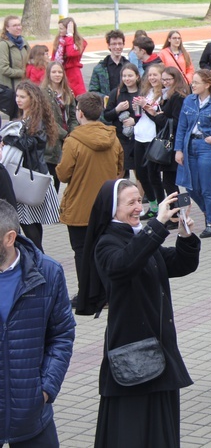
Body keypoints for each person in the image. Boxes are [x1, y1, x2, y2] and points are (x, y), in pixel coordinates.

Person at [88, 181, 200, 447]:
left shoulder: (138, 235)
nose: (139, 208)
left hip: (158, 346)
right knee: (132, 433)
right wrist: (157, 225)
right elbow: (124, 265)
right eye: (131, 203)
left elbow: (179, 264)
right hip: (132, 352)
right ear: (112, 209)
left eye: (140, 200)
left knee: (159, 430)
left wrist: (184, 235)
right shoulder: (106, 244)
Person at [0, 198, 75, 447]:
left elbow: (62, 335)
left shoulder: (48, 273)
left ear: (9, 239)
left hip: (31, 414)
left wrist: (44, 389)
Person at [57, 93, 123, 315]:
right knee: (105, 250)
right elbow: (120, 170)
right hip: (108, 206)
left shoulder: (73, 141)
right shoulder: (113, 138)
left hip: (80, 208)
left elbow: (64, 174)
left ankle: (87, 293)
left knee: (81, 252)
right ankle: (107, 292)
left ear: (80, 113)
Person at [1, 80, 60, 252]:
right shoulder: (24, 118)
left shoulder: (36, 120)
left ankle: (38, 259)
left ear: (32, 99)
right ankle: (38, 257)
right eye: (17, 96)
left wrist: (7, 139)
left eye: (22, 97)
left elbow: (30, 144)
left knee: (30, 226)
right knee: (31, 224)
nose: (18, 100)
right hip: (25, 178)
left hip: (30, 179)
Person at [174, 69, 211, 239]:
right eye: (193, 82)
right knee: (191, 187)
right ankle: (209, 212)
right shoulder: (189, 101)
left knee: (207, 187)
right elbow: (182, 127)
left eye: (196, 82)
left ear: (207, 84)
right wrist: (178, 149)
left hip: (207, 146)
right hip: (189, 145)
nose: (192, 85)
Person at [132, 63, 166, 217]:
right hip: (140, 135)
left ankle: (161, 206)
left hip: (154, 137)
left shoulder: (164, 95)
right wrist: (137, 108)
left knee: (153, 175)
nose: (152, 78)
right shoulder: (147, 92)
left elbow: (159, 117)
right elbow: (140, 115)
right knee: (141, 173)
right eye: (150, 75)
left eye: (155, 75)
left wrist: (146, 106)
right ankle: (152, 206)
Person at [40, 61, 78, 192]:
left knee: (70, 176)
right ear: (49, 74)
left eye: (60, 72)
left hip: (68, 139)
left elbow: (73, 115)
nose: (57, 75)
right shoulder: (43, 93)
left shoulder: (67, 92)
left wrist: (72, 132)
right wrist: (65, 134)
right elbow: (46, 120)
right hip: (51, 142)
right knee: (52, 178)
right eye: (54, 72)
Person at [154, 66, 190, 199]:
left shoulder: (178, 96)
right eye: (163, 80)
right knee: (169, 183)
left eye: (168, 79)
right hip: (171, 142)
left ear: (176, 79)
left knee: (170, 183)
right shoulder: (168, 94)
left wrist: (158, 116)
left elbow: (177, 122)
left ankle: (177, 215)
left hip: (173, 143)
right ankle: (178, 214)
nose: (165, 82)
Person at [102, 64, 141, 180]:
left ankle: (141, 197)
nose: (127, 79)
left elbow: (148, 114)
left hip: (138, 138)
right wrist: (117, 109)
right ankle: (118, 196)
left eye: (130, 75)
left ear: (137, 77)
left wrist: (135, 120)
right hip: (120, 139)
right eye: (124, 76)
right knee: (119, 172)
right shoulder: (116, 93)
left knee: (140, 174)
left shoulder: (143, 92)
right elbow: (107, 116)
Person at [0, 15, 29, 120]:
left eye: (19, 25)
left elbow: (30, 60)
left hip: (24, 88)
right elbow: (4, 69)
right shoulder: (4, 45)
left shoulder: (24, 42)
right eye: (14, 25)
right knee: (15, 119)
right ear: (7, 28)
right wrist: (24, 73)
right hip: (11, 91)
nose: (18, 27)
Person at [52, 17, 87, 96]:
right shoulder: (59, 40)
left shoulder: (80, 42)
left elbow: (71, 53)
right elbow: (53, 58)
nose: (59, 31)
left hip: (73, 76)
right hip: (60, 73)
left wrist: (69, 36)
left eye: (61, 29)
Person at [89, 29, 129, 96]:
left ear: (123, 44)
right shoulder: (99, 68)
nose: (117, 47)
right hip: (106, 105)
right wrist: (106, 99)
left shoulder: (129, 66)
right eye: (114, 44)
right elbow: (93, 91)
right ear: (109, 45)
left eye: (120, 43)